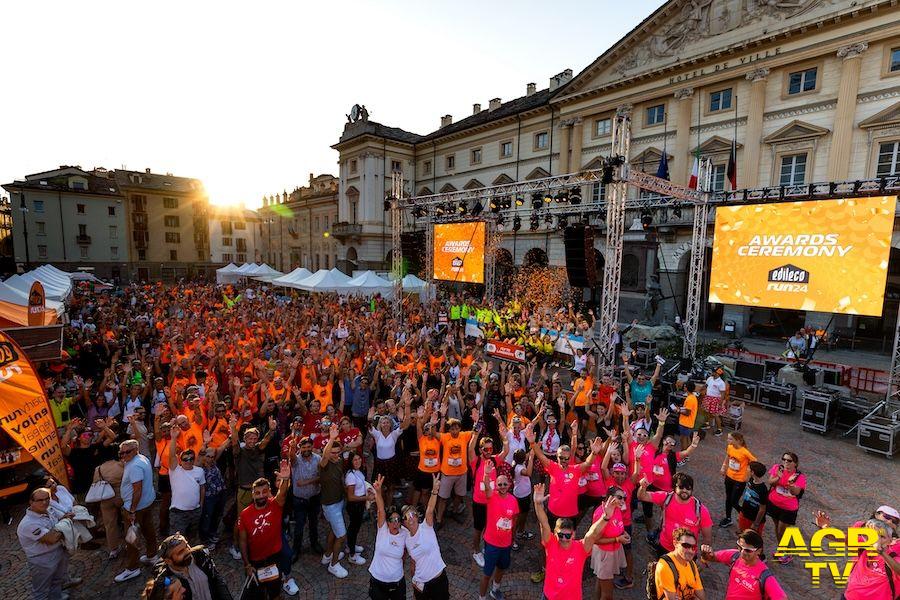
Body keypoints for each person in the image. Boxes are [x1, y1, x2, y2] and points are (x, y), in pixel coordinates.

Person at [534, 484, 614, 600]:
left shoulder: (581, 548)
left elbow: (592, 533)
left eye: (568, 535)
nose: (564, 539)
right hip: (549, 596)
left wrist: (605, 518)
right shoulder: (550, 543)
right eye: (560, 535)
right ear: (555, 533)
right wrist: (537, 504)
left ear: (574, 534)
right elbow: (544, 524)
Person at [237, 468, 300, 597]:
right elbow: (242, 541)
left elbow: (282, 493)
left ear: (269, 492)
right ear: (252, 494)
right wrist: (247, 565)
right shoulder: (244, 514)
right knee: (257, 594)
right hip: (255, 562)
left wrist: (286, 479)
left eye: (264, 492)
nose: (261, 495)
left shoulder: (275, 505)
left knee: (275, 592)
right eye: (257, 493)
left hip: (274, 558)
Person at [228, 416, 276, 561]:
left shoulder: (258, 449)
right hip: (244, 491)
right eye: (250, 438)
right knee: (240, 520)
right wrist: (233, 428)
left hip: (260, 492)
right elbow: (235, 444)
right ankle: (235, 545)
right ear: (245, 439)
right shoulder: (239, 452)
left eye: (255, 438)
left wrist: (272, 430)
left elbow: (265, 441)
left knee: (262, 516)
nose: (252, 441)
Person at [637, 472, 712, 558]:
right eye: (681, 487)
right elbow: (642, 496)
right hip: (665, 549)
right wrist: (643, 487)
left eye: (688, 488)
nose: (685, 490)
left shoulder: (701, 510)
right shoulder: (666, 498)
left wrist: (703, 559)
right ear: (674, 488)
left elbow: (707, 539)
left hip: (687, 554)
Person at [699, 529, 787, 600]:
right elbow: (711, 557)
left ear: (759, 551)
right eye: (740, 547)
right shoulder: (735, 556)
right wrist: (705, 553)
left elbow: (782, 598)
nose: (742, 552)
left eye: (748, 550)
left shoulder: (764, 576)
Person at [116, 439, 158, 583]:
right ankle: (152, 555)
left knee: (131, 538)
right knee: (148, 529)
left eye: (127, 452)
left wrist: (132, 509)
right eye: (121, 453)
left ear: (136, 450)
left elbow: (137, 489)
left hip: (136, 507)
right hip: (147, 503)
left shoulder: (134, 466)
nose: (123, 455)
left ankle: (133, 568)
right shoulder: (142, 458)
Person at [17, 487, 70, 600]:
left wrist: (64, 520)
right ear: (31, 502)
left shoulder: (48, 510)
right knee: (41, 591)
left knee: (56, 581)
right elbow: (52, 539)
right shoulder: (28, 523)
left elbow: (58, 522)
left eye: (47, 499)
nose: (44, 502)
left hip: (57, 552)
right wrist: (66, 524)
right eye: (40, 500)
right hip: (42, 560)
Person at [478, 458, 519, 600]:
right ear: (496, 485)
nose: (502, 486)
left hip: (506, 544)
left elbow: (514, 519)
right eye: (499, 484)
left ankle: (495, 590)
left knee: (501, 568)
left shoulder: (513, 500)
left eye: (504, 484)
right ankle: (481, 598)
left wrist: (513, 537)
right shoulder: (492, 497)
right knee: (486, 574)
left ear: (509, 484)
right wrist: (486, 474)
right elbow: (487, 488)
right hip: (492, 544)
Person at [404, 475, 449, 599]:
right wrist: (414, 581)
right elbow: (413, 562)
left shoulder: (426, 526)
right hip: (421, 583)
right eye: (407, 517)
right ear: (404, 523)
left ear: (417, 516)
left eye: (413, 514)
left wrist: (434, 491)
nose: (411, 518)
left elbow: (429, 510)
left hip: (438, 580)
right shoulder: (406, 539)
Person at [153, 533, 233, 600]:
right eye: (180, 552)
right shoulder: (167, 580)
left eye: (187, 546)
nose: (188, 551)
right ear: (168, 561)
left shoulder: (201, 555)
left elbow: (216, 579)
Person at [368, 474, 408, 600]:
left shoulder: (405, 533)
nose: (395, 522)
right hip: (377, 582)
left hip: (397, 582)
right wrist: (378, 492)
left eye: (398, 519)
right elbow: (381, 510)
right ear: (387, 521)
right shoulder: (382, 529)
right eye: (392, 519)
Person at [319, 424, 349, 578]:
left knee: (333, 529)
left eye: (338, 452)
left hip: (339, 502)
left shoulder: (339, 462)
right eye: (333, 452)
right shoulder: (324, 464)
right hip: (330, 506)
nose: (335, 455)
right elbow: (324, 457)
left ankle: (328, 555)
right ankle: (334, 564)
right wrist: (331, 439)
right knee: (341, 536)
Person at [766, 451, 806, 563]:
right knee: (777, 526)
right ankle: (782, 550)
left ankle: (787, 553)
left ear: (795, 463)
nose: (785, 462)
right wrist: (778, 477)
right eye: (784, 459)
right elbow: (770, 482)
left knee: (782, 530)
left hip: (788, 508)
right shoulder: (777, 468)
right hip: (774, 504)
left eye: (789, 461)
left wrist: (791, 485)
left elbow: (796, 492)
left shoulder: (799, 476)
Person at [288, 436, 324, 559]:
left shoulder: (318, 458)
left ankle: (314, 543)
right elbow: (291, 457)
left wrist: (307, 482)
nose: (306, 449)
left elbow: (321, 477)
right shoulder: (296, 460)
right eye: (304, 447)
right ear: (300, 448)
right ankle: (296, 549)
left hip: (314, 497)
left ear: (312, 447)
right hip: (300, 500)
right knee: (299, 526)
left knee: (314, 523)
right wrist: (292, 448)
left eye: (309, 447)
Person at [168, 427, 206, 538]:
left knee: (192, 538)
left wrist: (201, 505)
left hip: (195, 511)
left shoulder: (199, 471)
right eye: (185, 459)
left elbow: (202, 488)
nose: (188, 461)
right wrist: (173, 438)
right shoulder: (175, 470)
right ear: (180, 461)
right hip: (178, 513)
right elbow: (171, 455)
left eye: (191, 458)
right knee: (176, 542)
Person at [654, 527, 705, 599]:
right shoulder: (665, 566)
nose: (690, 551)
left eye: (693, 547)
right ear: (675, 543)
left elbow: (701, 596)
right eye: (686, 546)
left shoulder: (692, 564)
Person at [719, 432, 756, 528]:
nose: (728, 441)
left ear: (738, 440)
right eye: (728, 439)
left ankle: (745, 516)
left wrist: (748, 473)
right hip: (729, 477)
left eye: (730, 439)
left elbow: (754, 462)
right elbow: (727, 457)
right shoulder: (730, 447)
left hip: (739, 480)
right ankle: (728, 518)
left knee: (734, 501)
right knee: (728, 499)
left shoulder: (745, 452)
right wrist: (723, 467)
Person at [344, 452, 370, 566]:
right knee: (353, 528)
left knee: (355, 527)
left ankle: (351, 546)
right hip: (355, 505)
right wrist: (367, 497)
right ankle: (352, 555)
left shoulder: (358, 471)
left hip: (359, 503)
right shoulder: (351, 476)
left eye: (359, 458)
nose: (358, 461)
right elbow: (350, 497)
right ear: (350, 462)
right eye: (355, 460)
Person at [737, 462, 769, 535]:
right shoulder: (751, 480)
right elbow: (744, 479)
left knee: (753, 540)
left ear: (752, 472)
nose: (746, 469)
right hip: (744, 514)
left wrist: (756, 524)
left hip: (753, 519)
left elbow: (762, 509)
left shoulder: (762, 489)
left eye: (748, 469)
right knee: (742, 535)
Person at [703, 368, 727, 437]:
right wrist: (700, 390)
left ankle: (719, 430)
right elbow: (706, 386)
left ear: (717, 373)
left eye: (713, 371)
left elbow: (722, 394)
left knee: (716, 415)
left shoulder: (721, 383)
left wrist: (720, 403)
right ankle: (707, 424)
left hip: (715, 400)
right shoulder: (710, 378)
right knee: (706, 411)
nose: (711, 372)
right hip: (708, 398)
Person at [677, 382, 698, 454]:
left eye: (685, 386)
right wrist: (680, 409)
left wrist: (678, 410)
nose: (683, 387)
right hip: (688, 423)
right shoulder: (692, 397)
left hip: (685, 422)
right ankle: (688, 453)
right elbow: (687, 409)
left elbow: (687, 413)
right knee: (687, 438)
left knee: (683, 439)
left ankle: (684, 455)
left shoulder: (690, 399)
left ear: (687, 388)